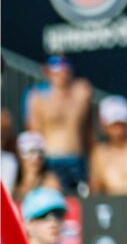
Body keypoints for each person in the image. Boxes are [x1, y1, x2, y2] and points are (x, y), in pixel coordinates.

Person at [24, 59, 92, 194]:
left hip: (76, 159)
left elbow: (88, 133)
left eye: (64, 69)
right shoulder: (37, 98)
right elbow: (34, 134)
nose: (61, 74)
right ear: (48, 73)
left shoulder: (81, 93)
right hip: (51, 160)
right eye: (57, 71)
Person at [87, 97, 127, 197]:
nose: (119, 129)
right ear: (104, 125)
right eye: (114, 124)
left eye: (122, 123)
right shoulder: (99, 155)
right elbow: (95, 190)